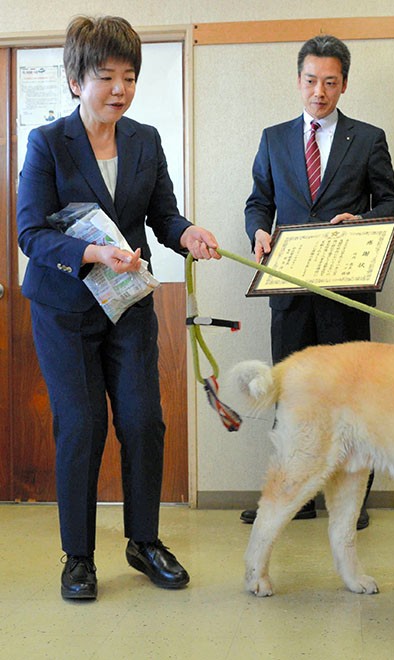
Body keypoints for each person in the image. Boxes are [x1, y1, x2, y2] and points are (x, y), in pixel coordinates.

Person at [17, 15, 220, 600]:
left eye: (129, 76)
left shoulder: (145, 140)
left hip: (127, 305)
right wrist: (92, 251)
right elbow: (31, 233)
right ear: (76, 79)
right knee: (81, 425)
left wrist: (188, 235)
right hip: (65, 309)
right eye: (106, 76)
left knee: (142, 420)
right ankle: (78, 556)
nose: (120, 89)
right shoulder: (47, 143)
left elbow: (163, 215)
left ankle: (144, 541)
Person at [241, 34, 394, 529]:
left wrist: (363, 221)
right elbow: (257, 202)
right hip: (289, 290)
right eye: (311, 80)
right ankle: (297, 496)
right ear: (298, 81)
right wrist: (259, 232)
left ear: (344, 85)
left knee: (351, 398)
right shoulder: (274, 138)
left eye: (330, 82)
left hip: (345, 292)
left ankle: (350, 505)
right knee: (293, 395)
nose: (319, 91)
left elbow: (392, 204)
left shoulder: (369, 137)